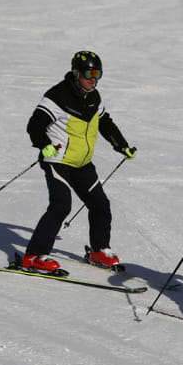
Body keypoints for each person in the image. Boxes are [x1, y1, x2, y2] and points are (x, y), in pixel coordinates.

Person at [21, 50, 136, 273]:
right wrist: (43, 143)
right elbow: (35, 124)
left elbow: (106, 123)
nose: (94, 80)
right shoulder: (58, 96)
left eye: (98, 74)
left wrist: (122, 146)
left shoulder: (94, 97)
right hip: (57, 161)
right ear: (76, 73)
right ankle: (34, 256)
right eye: (90, 74)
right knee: (61, 206)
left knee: (101, 205)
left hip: (82, 163)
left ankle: (99, 250)